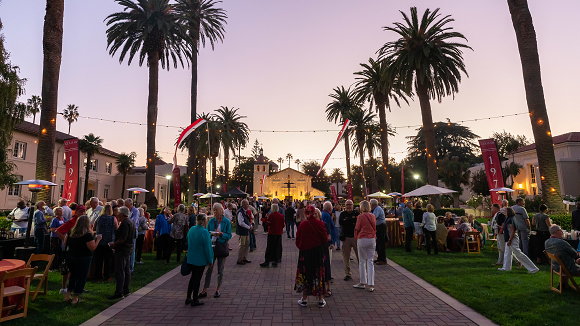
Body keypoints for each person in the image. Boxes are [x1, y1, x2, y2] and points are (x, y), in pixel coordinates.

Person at [295, 205, 329, 308]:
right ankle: (320, 299)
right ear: (314, 213)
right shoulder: (320, 223)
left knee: (306, 274)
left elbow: (297, 240)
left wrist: (302, 246)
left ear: (305, 213)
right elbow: (325, 238)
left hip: (305, 253)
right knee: (319, 274)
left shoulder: (303, 224)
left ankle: (304, 299)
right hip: (318, 252)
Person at [64, 215, 102, 304]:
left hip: (71, 256)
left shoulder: (71, 232)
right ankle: (75, 297)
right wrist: (98, 240)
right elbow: (92, 247)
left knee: (72, 275)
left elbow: (66, 242)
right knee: (81, 277)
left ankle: (68, 294)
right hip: (83, 257)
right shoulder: (87, 235)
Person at [199, 203, 232, 299]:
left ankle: (218, 288)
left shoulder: (226, 222)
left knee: (220, 270)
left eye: (216, 210)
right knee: (209, 268)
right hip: (212, 247)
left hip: (221, 246)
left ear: (221, 210)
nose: (215, 212)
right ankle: (204, 289)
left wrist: (221, 234)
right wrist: (212, 235)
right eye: (214, 210)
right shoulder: (211, 221)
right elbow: (207, 233)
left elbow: (229, 235)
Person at [55, 204, 85, 295]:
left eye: (84, 211)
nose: (83, 213)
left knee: (78, 269)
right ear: (76, 212)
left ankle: (77, 286)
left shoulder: (83, 221)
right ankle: (64, 287)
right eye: (80, 211)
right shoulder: (72, 221)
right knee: (67, 268)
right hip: (70, 249)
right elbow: (58, 231)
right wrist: (65, 240)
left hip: (80, 248)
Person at [184, 214, 213, 307]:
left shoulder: (192, 229)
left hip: (191, 257)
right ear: (204, 221)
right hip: (200, 259)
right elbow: (208, 248)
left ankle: (188, 297)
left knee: (192, 278)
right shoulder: (204, 232)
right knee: (197, 279)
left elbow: (188, 239)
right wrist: (210, 260)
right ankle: (195, 299)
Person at [499, 207, 539, 273]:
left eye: (505, 211)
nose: (504, 212)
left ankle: (533, 268)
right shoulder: (508, 219)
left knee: (518, 254)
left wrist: (510, 240)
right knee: (507, 253)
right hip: (509, 238)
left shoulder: (510, 219)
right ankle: (506, 268)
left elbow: (513, 231)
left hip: (512, 239)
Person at [108, 206, 136, 300]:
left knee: (120, 270)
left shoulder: (125, 223)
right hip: (129, 249)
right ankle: (126, 289)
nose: (117, 215)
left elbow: (122, 238)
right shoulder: (131, 222)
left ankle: (119, 291)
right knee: (126, 269)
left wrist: (114, 244)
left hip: (122, 249)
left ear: (122, 214)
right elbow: (134, 235)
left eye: (119, 213)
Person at [545, 224, 580, 290]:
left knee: (574, 261)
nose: (562, 232)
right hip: (569, 268)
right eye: (560, 231)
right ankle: (564, 284)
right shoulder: (562, 243)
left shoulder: (546, 242)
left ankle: (563, 284)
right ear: (556, 231)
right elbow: (575, 254)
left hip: (556, 267)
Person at [353, 200, 376, 292]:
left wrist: (356, 237)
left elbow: (357, 228)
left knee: (362, 261)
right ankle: (371, 284)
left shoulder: (360, 217)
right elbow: (374, 227)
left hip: (362, 238)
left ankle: (362, 282)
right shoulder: (373, 216)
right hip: (372, 239)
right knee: (370, 261)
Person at [94, 204, 116, 281]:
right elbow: (117, 228)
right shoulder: (113, 219)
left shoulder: (98, 218)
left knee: (98, 260)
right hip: (109, 241)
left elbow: (94, 227)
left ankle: (98, 276)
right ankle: (107, 276)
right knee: (108, 260)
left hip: (99, 241)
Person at [339, 200, 359, 280]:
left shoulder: (357, 213)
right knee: (346, 257)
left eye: (350, 205)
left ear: (353, 205)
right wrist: (352, 221)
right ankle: (348, 274)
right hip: (346, 237)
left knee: (359, 256)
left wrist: (346, 220)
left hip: (355, 237)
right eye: (347, 205)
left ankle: (363, 273)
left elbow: (358, 222)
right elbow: (341, 222)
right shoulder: (342, 214)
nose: (348, 206)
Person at [260, 203, 285, 268]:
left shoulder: (271, 215)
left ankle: (267, 260)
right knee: (277, 247)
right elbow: (283, 225)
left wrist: (266, 218)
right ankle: (275, 260)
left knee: (270, 247)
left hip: (272, 233)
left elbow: (268, 224)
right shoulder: (281, 216)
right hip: (278, 233)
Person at [320, 202, 335, 295]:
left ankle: (326, 278)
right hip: (327, 243)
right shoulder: (327, 216)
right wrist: (331, 242)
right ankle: (327, 279)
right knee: (327, 262)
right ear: (330, 208)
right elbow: (328, 230)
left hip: (325, 242)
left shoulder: (323, 214)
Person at [236, 199, 252, 265]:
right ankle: (239, 259)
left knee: (247, 244)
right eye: (247, 204)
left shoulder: (245, 211)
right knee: (242, 245)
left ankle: (244, 257)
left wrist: (250, 224)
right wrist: (248, 227)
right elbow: (241, 223)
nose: (248, 205)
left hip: (246, 231)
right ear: (244, 205)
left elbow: (247, 220)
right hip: (241, 231)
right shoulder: (240, 212)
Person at [370, 199, 386, 265]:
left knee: (381, 243)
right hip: (378, 227)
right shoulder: (376, 208)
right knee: (378, 243)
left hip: (381, 227)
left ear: (373, 204)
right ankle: (379, 258)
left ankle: (383, 259)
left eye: (370, 204)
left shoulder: (377, 209)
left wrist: (368, 214)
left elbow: (374, 216)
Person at [125, 198, 140, 272]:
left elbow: (134, 221)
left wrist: (126, 221)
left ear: (131, 204)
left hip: (133, 231)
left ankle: (131, 267)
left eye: (126, 205)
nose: (125, 206)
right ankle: (126, 266)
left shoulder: (135, 211)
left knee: (132, 249)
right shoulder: (127, 210)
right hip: (127, 230)